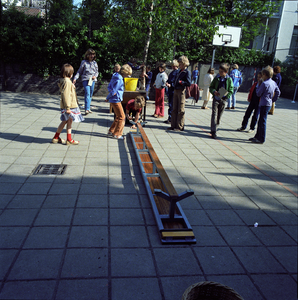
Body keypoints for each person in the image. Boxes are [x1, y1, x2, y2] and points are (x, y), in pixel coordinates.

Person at [52, 64, 84, 145]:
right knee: (67, 121)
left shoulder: (65, 81)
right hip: (70, 106)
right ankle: (66, 139)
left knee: (66, 121)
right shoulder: (67, 82)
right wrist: (68, 108)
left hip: (68, 105)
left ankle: (57, 138)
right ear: (70, 73)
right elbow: (66, 95)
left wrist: (71, 86)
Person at [249, 66, 280, 144]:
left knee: (262, 121)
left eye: (262, 75)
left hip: (263, 103)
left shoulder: (264, 83)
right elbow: (278, 92)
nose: (261, 76)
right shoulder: (273, 82)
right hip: (268, 103)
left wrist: (258, 86)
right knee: (261, 121)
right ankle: (257, 136)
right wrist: (273, 100)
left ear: (265, 75)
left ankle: (261, 138)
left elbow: (258, 93)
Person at [106, 64, 132, 139]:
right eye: (127, 75)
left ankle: (111, 130)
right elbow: (114, 90)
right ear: (124, 73)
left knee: (118, 116)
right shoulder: (120, 79)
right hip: (116, 99)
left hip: (113, 99)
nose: (128, 76)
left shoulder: (115, 76)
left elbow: (109, 87)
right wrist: (108, 97)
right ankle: (117, 134)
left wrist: (109, 97)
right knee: (122, 116)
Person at [209, 63, 234, 139]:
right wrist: (214, 92)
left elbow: (231, 90)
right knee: (214, 114)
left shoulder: (229, 79)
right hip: (216, 98)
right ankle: (213, 131)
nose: (220, 72)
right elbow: (211, 87)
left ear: (226, 72)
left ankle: (216, 126)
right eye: (219, 71)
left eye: (222, 71)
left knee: (219, 115)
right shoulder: (217, 78)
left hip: (223, 99)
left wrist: (226, 96)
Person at [167, 55, 191, 131]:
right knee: (174, 108)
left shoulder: (187, 72)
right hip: (175, 90)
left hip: (181, 91)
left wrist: (181, 82)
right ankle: (173, 125)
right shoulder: (178, 71)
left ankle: (179, 126)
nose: (179, 65)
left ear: (184, 64)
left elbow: (189, 83)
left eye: (180, 64)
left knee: (180, 109)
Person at [73, 48, 98, 115]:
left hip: (92, 80)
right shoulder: (84, 62)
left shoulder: (95, 63)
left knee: (90, 94)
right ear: (87, 55)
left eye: (93, 54)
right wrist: (75, 78)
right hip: (85, 79)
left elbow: (97, 72)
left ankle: (88, 108)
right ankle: (86, 109)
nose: (92, 56)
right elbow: (79, 71)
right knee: (87, 93)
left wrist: (95, 76)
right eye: (90, 54)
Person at [165, 60, 179, 124]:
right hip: (170, 90)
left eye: (173, 66)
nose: (172, 67)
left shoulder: (177, 72)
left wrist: (171, 85)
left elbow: (176, 81)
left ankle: (171, 119)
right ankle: (170, 118)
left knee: (172, 105)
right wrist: (167, 82)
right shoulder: (172, 72)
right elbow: (169, 79)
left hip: (173, 90)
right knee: (170, 105)